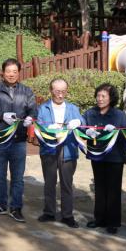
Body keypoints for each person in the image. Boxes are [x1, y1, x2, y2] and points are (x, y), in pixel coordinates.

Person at [0, 58, 37, 222]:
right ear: (3, 72)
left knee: (18, 177)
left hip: (18, 139)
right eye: (8, 71)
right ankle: (0, 204)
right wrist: (0, 115)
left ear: (18, 72)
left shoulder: (26, 91)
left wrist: (30, 118)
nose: (11, 74)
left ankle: (16, 207)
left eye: (14, 71)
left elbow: (33, 109)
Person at [36, 78, 83, 228]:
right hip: (49, 150)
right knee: (49, 183)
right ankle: (49, 212)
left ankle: (67, 215)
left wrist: (79, 123)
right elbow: (38, 127)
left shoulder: (73, 108)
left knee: (66, 184)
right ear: (51, 91)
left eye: (63, 91)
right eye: (57, 91)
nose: (60, 95)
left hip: (68, 150)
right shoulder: (43, 108)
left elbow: (82, 123)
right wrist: (48, 128)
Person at [83, 83, 126, 234]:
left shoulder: (119, 115)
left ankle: (113, 222)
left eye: (104, 96)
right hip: (97, 155)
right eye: (98, 95)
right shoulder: (90, 113)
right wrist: (86, 131)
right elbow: (81, 128)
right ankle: (99, 219)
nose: (100, 99)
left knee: (113, 189)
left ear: (111, 98)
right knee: (100, 187)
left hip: (115, 157)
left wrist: (116, 131)